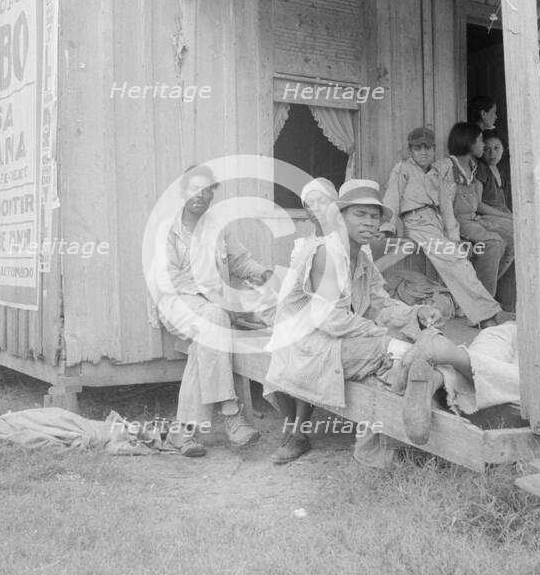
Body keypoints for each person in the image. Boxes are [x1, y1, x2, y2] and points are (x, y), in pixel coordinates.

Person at [264, 178, 479, 465]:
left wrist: (415, 313)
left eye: (374, 216)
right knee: (394, 350)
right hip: (305, 346)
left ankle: (397, 425)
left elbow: (379, 302)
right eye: (359, 215)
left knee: (402, 347)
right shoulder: (327, 253)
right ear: (339, 218)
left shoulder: (361, 256)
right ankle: (456, 377)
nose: (369, 223)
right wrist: (384, 338)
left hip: (336, 341)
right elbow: (330, 320)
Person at [151, 165, 273, 457]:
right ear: (182, 192)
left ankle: (184, 433)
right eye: (195, 189)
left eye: (208, 191)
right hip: (177, 302)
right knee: (216, 319)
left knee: (207, 338)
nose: (201, 196)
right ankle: (230, 413)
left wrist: (262, 274)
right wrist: (214, 300)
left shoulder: (218, 226)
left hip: (211, 308)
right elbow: (170, 280)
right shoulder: (168, 229)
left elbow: (240, 261)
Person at [381, 127, 505, 328]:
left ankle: (479, 313)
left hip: (436, 221)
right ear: (410, 150)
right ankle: (489, 314)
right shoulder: (403, 168)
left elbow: (446, 204)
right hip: (416, 220)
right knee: (456, 261)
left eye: (427, 148)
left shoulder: (439, 172)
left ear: (434, 150)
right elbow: (392, 198)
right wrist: (387, 226)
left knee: (460, 260)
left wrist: (453, 234)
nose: (423, 152)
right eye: (418, 148)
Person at [438, 123, 514, 303]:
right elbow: (445, 203)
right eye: (480, 140)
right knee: (494, 243)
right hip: (458, 222)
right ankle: (482, 304)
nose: (483, 145)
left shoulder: (472, 166)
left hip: (474, 219)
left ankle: (482, 291)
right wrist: (452, 233)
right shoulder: (448, 166)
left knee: (513, 236)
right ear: (468, 142)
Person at [469, 95, 512, 209]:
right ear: (483, 114)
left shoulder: (487, 134)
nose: (496, 116)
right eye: (493, 112)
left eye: (497, 148)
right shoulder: (473, 138)